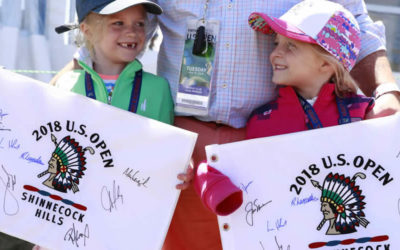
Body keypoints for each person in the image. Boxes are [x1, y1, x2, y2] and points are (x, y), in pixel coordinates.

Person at [51, 1, 400, 249]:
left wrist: (386, 92)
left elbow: (360, 28)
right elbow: (120, 17)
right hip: (182, 151)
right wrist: (68, 83)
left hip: (272, 142)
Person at [194, 0, 379, 229]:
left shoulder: (365, 115)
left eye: (290, 46)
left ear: (327, 62)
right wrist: (211, 183)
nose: (274, 54)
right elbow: (227, 174)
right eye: (276, 43)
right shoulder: (262, 121)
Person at [54, 0, 174, 125]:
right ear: (88, 31)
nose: (132, 32)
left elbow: (166, 143)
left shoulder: (159, 89)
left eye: (139, 24)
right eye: (118, 23)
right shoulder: (66, 85)